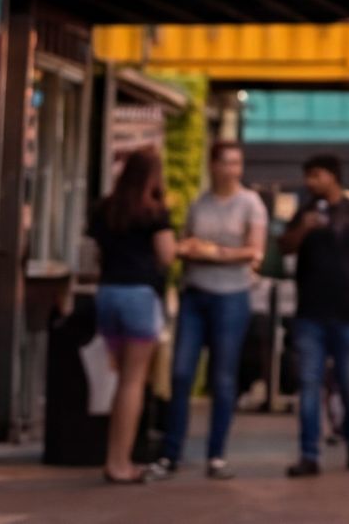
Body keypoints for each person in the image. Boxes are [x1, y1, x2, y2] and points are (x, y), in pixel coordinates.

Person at [157, 141, 266, 478]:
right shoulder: (199, 202)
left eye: (237, 163)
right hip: (195, 293)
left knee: (222, 377)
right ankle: (170, 452)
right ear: (213, 165)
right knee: (180, 373)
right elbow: (186, 242)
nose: (232, 169)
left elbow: (255, 251)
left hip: (231, 295)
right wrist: (189, 249)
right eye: (226, 163)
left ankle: (216, 455)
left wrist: (216, 253)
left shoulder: (250, 203)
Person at [287, 156, 349, 476]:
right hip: (309, 313)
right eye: (307, 176)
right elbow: (284, 246)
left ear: (333, 177)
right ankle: (309, 454)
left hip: (347, 312)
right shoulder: (305, 211)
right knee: (309, 383)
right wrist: (303, 228)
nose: (309, 182)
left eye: (315, 175)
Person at [89, 149, 176, 486]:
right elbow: (167, 255)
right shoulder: (154, 212)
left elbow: (96, 252)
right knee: (133, 381)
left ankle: (113, 456)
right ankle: (120, 463)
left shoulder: (104, 209)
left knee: (119, 378)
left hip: (108, 294)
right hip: (140, 297)